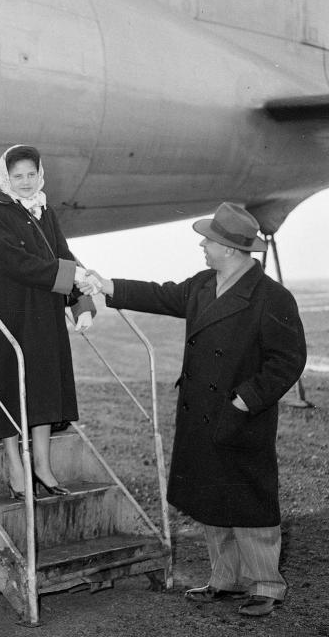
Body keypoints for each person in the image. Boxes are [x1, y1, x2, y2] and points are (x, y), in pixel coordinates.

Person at [86, 202, 306, 618]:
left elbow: (288, 360)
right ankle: (225, 580)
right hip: (201, 411)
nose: (203, 245)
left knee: (250, 501)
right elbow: (161, 294)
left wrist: (245, 400)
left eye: (210, 240)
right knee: (210, 496)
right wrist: (109, 284)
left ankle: (266, 585)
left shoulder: (271, 297)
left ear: (231, 249)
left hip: (241, 416)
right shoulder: (204, 284)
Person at [0, 145, 95, 495]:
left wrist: (80, 299)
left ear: (40, 175)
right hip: (8, 310)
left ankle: (42, 465)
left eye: (31, 174)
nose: (25, 182)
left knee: (42, 385)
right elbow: (15, 262)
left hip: (43, 311)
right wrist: (70, 276)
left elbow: (63, 255)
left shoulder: (45, 211)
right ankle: (15, 467)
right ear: (5, 177)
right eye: (17, 176)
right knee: (10, 384)